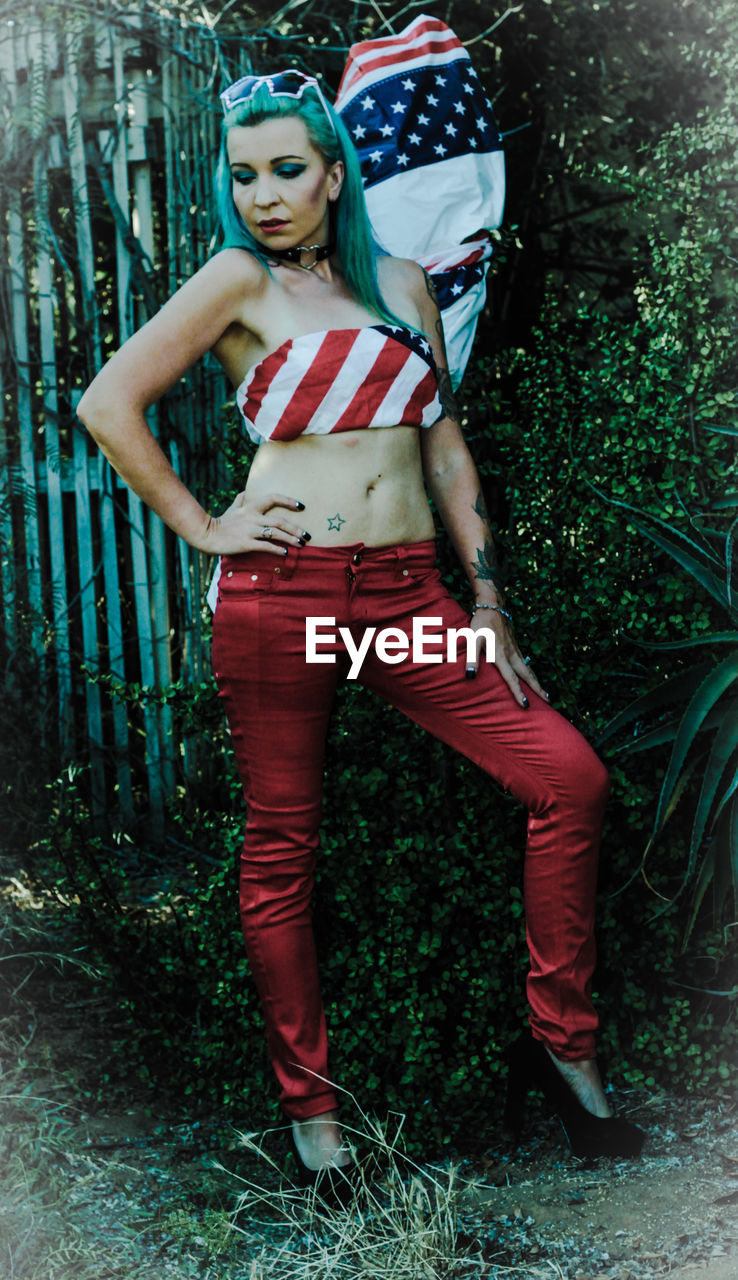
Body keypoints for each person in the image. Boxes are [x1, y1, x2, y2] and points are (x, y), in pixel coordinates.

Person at [77, 68, 644, 1183]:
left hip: (400, 604)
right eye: (244, 175)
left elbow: (441, 447)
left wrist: (485, 597)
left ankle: (564, 1050)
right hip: (282, 600)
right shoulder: (238, 280)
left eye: (289, 169)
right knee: (282, 849)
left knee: (566, 776)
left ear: (337, 173)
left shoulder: (400, 284)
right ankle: (316, 1123)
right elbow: (107, 401)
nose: (265, 195)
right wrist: (205, 523)